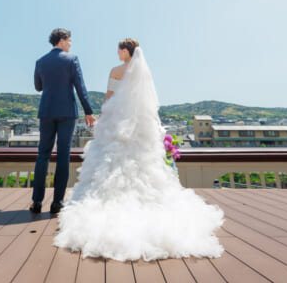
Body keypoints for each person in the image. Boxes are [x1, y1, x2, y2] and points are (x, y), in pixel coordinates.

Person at [54, 38, 224, 261]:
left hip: (117, 123)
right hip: (140, 125)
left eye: (118, 49)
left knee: (111, 163)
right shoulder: (144, 72)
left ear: (125, 51)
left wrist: (102, 116)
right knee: (144, 164)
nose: (117, 52)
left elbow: (109, 96)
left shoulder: (116, 70)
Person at [30, 28, 96, 214]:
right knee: (63, 155)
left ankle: (36, 201)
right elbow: (80, 87)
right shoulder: (72, 59)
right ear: (61, 40)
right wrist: (88, 111)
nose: (70, 44)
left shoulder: (40, 61)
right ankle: (57, 202)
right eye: (69, 40)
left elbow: (38, 87)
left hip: (46, 111)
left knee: (43, 155)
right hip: (66, 112)